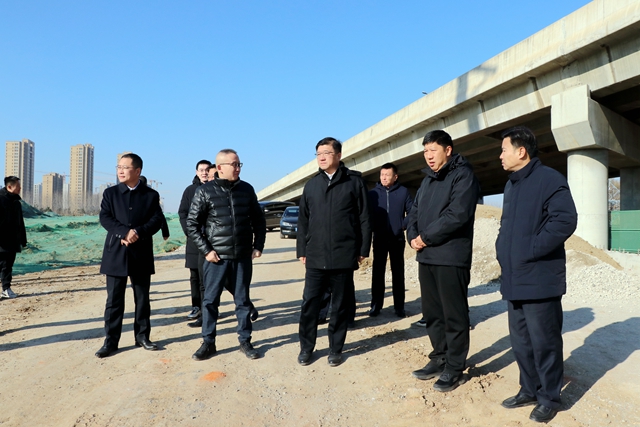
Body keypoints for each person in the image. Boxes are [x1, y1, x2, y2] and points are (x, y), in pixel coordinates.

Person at [496, 126, 577, 423]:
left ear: (521, 151)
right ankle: (528, 389)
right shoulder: (511, 185)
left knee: (545, 343)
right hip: (515, 277)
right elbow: (506, 226)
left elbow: (565, 220)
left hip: (540, 278)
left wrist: (529, 249)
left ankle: (549, 398)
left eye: (504, 149)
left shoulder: (549, 179)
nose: (500, 155)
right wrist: (502, 249)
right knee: (521, 342)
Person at [407, 130, 480, 392]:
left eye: (433, 150)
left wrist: (424, 237)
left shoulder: (463, 175)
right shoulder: (427, 179)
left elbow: (457, 214)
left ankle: (455, 367)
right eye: (425, 151)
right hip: (426, 256)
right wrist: (412, 236)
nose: (428, 156)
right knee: (433, 313)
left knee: (454, 315)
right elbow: (414, 212)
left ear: (448, 150)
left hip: (451, 256)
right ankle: (439, 358)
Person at [296, 137, 371, 367]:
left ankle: (335, 349)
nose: (321, 157)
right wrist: (302, 250)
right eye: (318, 153)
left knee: (340, 306)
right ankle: (306, 348)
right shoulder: (311, 185)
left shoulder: (354, 183)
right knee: (310, 304)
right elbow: (303, 221)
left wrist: (363, 249)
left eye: (326, 153)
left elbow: (364, 218)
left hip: (343, 254)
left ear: (338, 155)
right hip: (316, 255)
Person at [186, 149, 266, 361]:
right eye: (234, 164)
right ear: (220, 167)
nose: (238, 168)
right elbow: (192, 224)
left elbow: (259, 220)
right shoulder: (205, 191)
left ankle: (245, 341)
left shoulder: (246, 189)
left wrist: (258, 245)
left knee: (243, 301)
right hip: (216, 258)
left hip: (242, 256)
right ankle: (208, 342)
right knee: (210, 301)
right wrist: (207, 250)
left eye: (239, 164)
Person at [95, 153, 165, 358]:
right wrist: (124, 233)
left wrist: (137, 233)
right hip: (115, 252)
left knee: (142, 298)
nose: (120, 170)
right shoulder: (111, 193)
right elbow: (105, 217)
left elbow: (156, 220)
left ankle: (142, 336)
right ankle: (111, 341)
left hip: (140, 252)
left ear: (137, 171)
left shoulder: (150, 195)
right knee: (114, 300)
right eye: (118, 167)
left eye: (125, 167)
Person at [368, 162, 413, 318]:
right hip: (379, 238)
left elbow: (412, 212)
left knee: (398, 273)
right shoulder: (373, 194)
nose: (384, 177)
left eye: (387, 175)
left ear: (395, 176)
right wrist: (373, 227)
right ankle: (375, 306)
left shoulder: (403, 192)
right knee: (377, 273)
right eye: (382, 175)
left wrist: (403, 225)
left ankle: (399, 307)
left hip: (397, 238)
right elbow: (367, 215)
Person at [178, 160, 212, 322]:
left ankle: (210, 308)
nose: (204, 173)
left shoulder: (215, 189)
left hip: (212, 240)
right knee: (195, 276)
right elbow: (183, 213)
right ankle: (196, 306)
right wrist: (191, 233)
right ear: (196, 172)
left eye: (207, 170)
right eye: (201, 170)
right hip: (194, 240)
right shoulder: (190, 191)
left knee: (211, 276)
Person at [0, 176, 27, 300]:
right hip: (2, 240)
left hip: (12, 240)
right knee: (4, 265)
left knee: (8, 265)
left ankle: (6, 289)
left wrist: (23, 240)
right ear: (9, 187)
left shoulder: (16, 202)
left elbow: (20, 223)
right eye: (18, 186)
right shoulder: (1, 200)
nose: (20, 188)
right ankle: (6, 289)